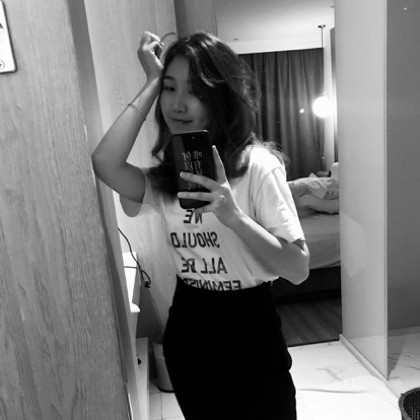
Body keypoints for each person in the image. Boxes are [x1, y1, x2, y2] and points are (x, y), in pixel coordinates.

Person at [92, 30, 310, 420]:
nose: (177, 103)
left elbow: (297, 269)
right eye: (170, 88)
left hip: (251, 331)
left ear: (219, 97)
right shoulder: (169, 176)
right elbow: (105, 163)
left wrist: (234, 217)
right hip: (190, 329)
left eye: (194, 91)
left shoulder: (257, 166)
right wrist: (151, 81)